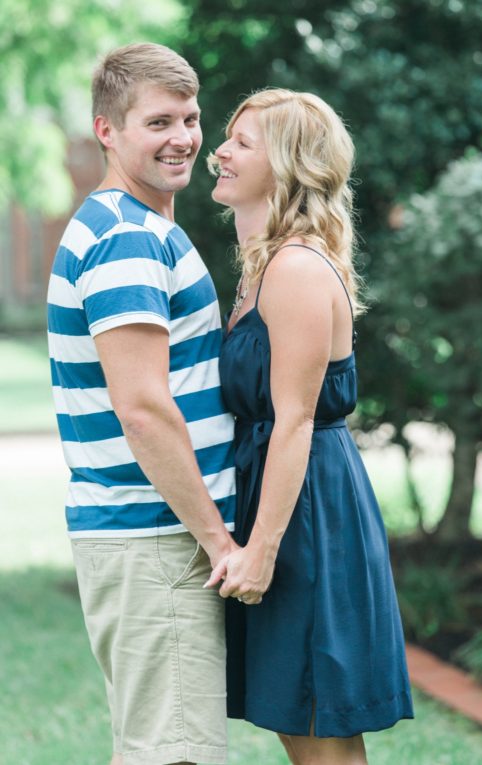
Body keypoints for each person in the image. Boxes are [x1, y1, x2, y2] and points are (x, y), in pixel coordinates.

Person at [204, 88, 413, 764]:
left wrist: (261, 549)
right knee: (300, 724)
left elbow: (293, 421)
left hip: (306, 518)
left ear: (289, 164)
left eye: (243, 142)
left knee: (320, 734)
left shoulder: (294, 269)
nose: (220, 152)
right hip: (278, 500)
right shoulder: (261, 267)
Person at [46, 43, 236, 765]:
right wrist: (218, 540)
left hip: (147, 537)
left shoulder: (136, 227)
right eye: (158, 122)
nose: (183, 137)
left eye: (189, 118)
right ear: (107, 130)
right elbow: (143, 408)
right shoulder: (126, 237)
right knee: (176, 752)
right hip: (156, 538)